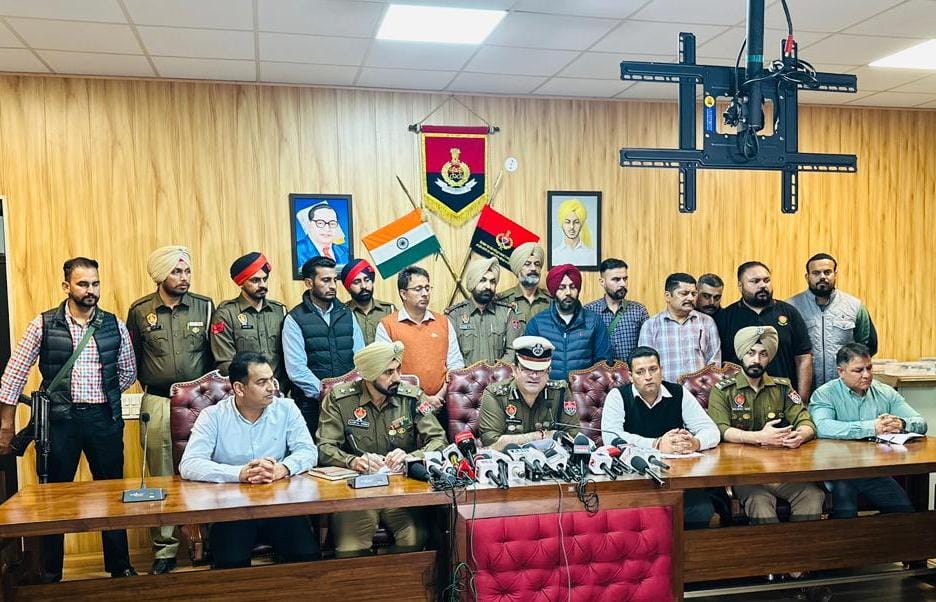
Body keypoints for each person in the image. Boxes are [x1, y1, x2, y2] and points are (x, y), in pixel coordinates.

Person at [0, 257, 137, 581]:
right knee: (54, 497)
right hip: (60, 422)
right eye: (83, 284)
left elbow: (128, 371)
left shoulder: (113, 324)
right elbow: (14, 374)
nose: (91, 290)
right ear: (66, 286)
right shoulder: (44, 323)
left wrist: (103, 393)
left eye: (95, 283)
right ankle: (51, 572)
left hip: (103, 419)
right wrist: (6, 423)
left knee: (112, 492)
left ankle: (120, 567)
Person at [179, 352, 320, 568]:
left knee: (308, 557)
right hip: (232, 510)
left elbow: (308, 451)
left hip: (280, 507)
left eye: (272, 380)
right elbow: (189, 464)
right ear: (239, 388)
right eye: (262, 382)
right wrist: (240, 474)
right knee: (231, 563)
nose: (271, 387)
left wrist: (283, 468)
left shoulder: (287, 409)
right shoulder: (213, 416)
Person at [127, 245, 213, 575]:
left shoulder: (204, 306)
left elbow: (212, 355)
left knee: (205, 470)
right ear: (160, 275)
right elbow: (132, 358)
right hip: (159, 401)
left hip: (201, 403)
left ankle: (208, 542)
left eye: (187, 271)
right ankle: (165, 550)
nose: (184, 277)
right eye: (176, 272)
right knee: (160, 474)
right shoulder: (140, 311)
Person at [317, 341, 447, 557]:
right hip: (357, 492)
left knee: (415, 538)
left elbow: (439, 439)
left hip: (401, 491)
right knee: (350, 546)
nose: (396, 377)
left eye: (398, 369)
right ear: (369, 374)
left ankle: (397, 579)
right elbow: (324, 447)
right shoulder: (340, 399)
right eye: (388, 372)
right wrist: (353, 461)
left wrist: (410, 457)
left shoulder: (412, 397)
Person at [707, 326, 825, 525]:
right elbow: (721, 429)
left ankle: (801, 544)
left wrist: (800, 435)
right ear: (741, 355)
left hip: (780, 470)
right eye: (751, 353)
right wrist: (759, 437)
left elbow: (805, 421)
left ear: (769, 357)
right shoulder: (722, 391)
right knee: (759, 501)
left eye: (763, 354)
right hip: (743, 473)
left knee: (812, 495)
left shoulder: (782, 387)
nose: (756, 360)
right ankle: (771, 546)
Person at [600, 346, 720, 529]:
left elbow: (711, 430)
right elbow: (611, 437)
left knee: (701, 509)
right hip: (634, 478)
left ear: (661, 370)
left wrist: (695, 443)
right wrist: (656, 444)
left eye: (653, 369)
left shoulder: (678, 393)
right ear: (631, 376)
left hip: (676, 477)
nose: (648, 376)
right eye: (640, 372)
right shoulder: (618, 396)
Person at [810, 343, 927, 519]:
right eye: (858, 370)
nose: (866, 375)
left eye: (869, 368)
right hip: (838, 471)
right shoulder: (825, 394)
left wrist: (901, 423)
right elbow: (822, 427)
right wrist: (871, 427)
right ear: (841, 372)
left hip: (873, 471)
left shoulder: (885, 392)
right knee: (847, 515)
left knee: (904, 512)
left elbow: (920, 422)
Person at [282, 256, 365, 436]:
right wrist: (325, 392)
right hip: (311, 405)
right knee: (315, 451)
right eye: (326, 280)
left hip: (350, 400)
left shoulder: (347, 314)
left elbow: (361, 358)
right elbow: (296, 369)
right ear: (309, 283)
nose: (333, 286)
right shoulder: (294, 319)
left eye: (334, 280)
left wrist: (347, 391)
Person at [375, 266, 464, 425]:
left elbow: (456, 365)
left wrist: (439, 397)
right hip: (402, 406)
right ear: (403, 294)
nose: (425, 293)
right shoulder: (387, 325)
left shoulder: (443, 322)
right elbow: (385, 372)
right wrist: (422, 398)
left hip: (442, 404)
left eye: (427, 288)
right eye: (418, 289)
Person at [715, 261, 813, 402]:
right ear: (740, 286)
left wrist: (802, 400)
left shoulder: (789, 313)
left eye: (766, 280)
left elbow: (803, 357)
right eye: (755, 281)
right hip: (739, 400)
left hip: (783, 397)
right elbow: (718, 364)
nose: (762, 285)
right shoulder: (725, 317)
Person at [787, 253, 876, 389]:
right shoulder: (791, 308)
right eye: (816, 273)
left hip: (844, 389)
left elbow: (866, 346)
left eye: (827, 272)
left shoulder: (855, 306)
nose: (822, 277)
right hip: (804, 390)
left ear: (835, 275)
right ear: (807, 277)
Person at [478, 336, 577, 450]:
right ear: (515, 370)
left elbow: (573, 435)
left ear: (548, 372)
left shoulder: (560, 392)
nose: (534, 376)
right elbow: (491, 443)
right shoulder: (495, 395)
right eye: (528, 369)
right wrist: (542, 436)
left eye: (541, 370)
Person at [210, 252, 288, 392]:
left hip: (279, 390)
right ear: (241, 282)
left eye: (265, 279)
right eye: (255, 280)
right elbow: (225, 362)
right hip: (246, 392)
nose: (262, 285)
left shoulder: (279, 311)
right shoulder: (226, 314)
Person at [525, 264, 612, 380]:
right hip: (546, 389)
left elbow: (603, 363)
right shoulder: (537, 323)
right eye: (562, 288)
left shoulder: (594, 322)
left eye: (572, 287)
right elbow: (528, 363)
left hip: (585, 389)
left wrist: (588, 386)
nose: (568, 292)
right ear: (554, 291)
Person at [638, 273, 720, 382]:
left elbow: (714, 364)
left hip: (700, 390)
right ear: (668, 296)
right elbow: (645, 364)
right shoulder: (651, 326)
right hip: (664, 390)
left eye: (694, 294)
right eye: (684, 293)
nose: (690, 298)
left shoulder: (707, 322)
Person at [446, 257, 521, 365]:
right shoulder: (454, 315)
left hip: (500, 374)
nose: (488, 286)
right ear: (472, 283)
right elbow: (452, 357)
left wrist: (494, 372)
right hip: (465, 375)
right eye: (482, 280)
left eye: (492, 282)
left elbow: (512, 351)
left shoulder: (507, 313)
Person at [583, 258, 648, 364]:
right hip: (599, 372)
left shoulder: (639, 310)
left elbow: (645, 350)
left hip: (631, 372)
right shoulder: (589, 311)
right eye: (616, 279)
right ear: (602, 282)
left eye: (625, 279)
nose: (623, 284)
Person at [340, 258, 395, 345]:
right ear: (348, 288)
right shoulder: (341, 313)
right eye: (357, 282)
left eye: (367, 280)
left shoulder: (389, 310)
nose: (364, 286)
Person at [497, 242, 551, 325]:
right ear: (518, 269)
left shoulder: (550, 301)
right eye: (527, 264)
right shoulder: (503, 301)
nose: (533, 268)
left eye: (537, 264)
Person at [294, 201, 349, 270]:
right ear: (309, 225)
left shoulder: (346, 252)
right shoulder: (296, 251)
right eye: (320, 223)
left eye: (332, 223)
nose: (327, 229)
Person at [552, 198, 594, 266]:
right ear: (561, 224)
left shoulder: (592, 255)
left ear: (581, 224)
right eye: (567, 222)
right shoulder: (554, 254)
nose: (572, 226)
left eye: (576, 222)